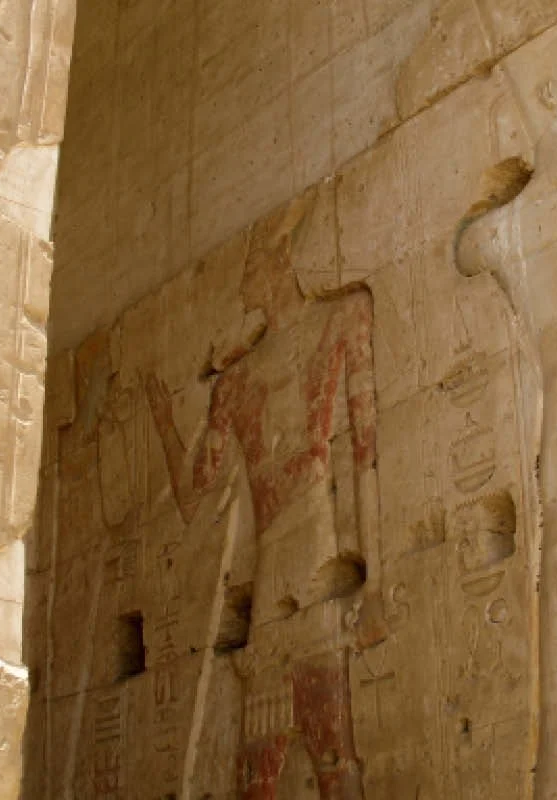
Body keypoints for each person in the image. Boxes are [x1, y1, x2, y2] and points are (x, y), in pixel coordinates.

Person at [144, 191, 385, 799]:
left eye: (250, 267)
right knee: (259, 775)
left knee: (335, 761)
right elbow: (194, 494)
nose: (243, 282)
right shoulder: (236, 383)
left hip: (317, 566)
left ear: (277, 265)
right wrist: (161, 416)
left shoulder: (342, 319)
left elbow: (365, 452)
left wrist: (376, 579)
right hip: (272, 584)